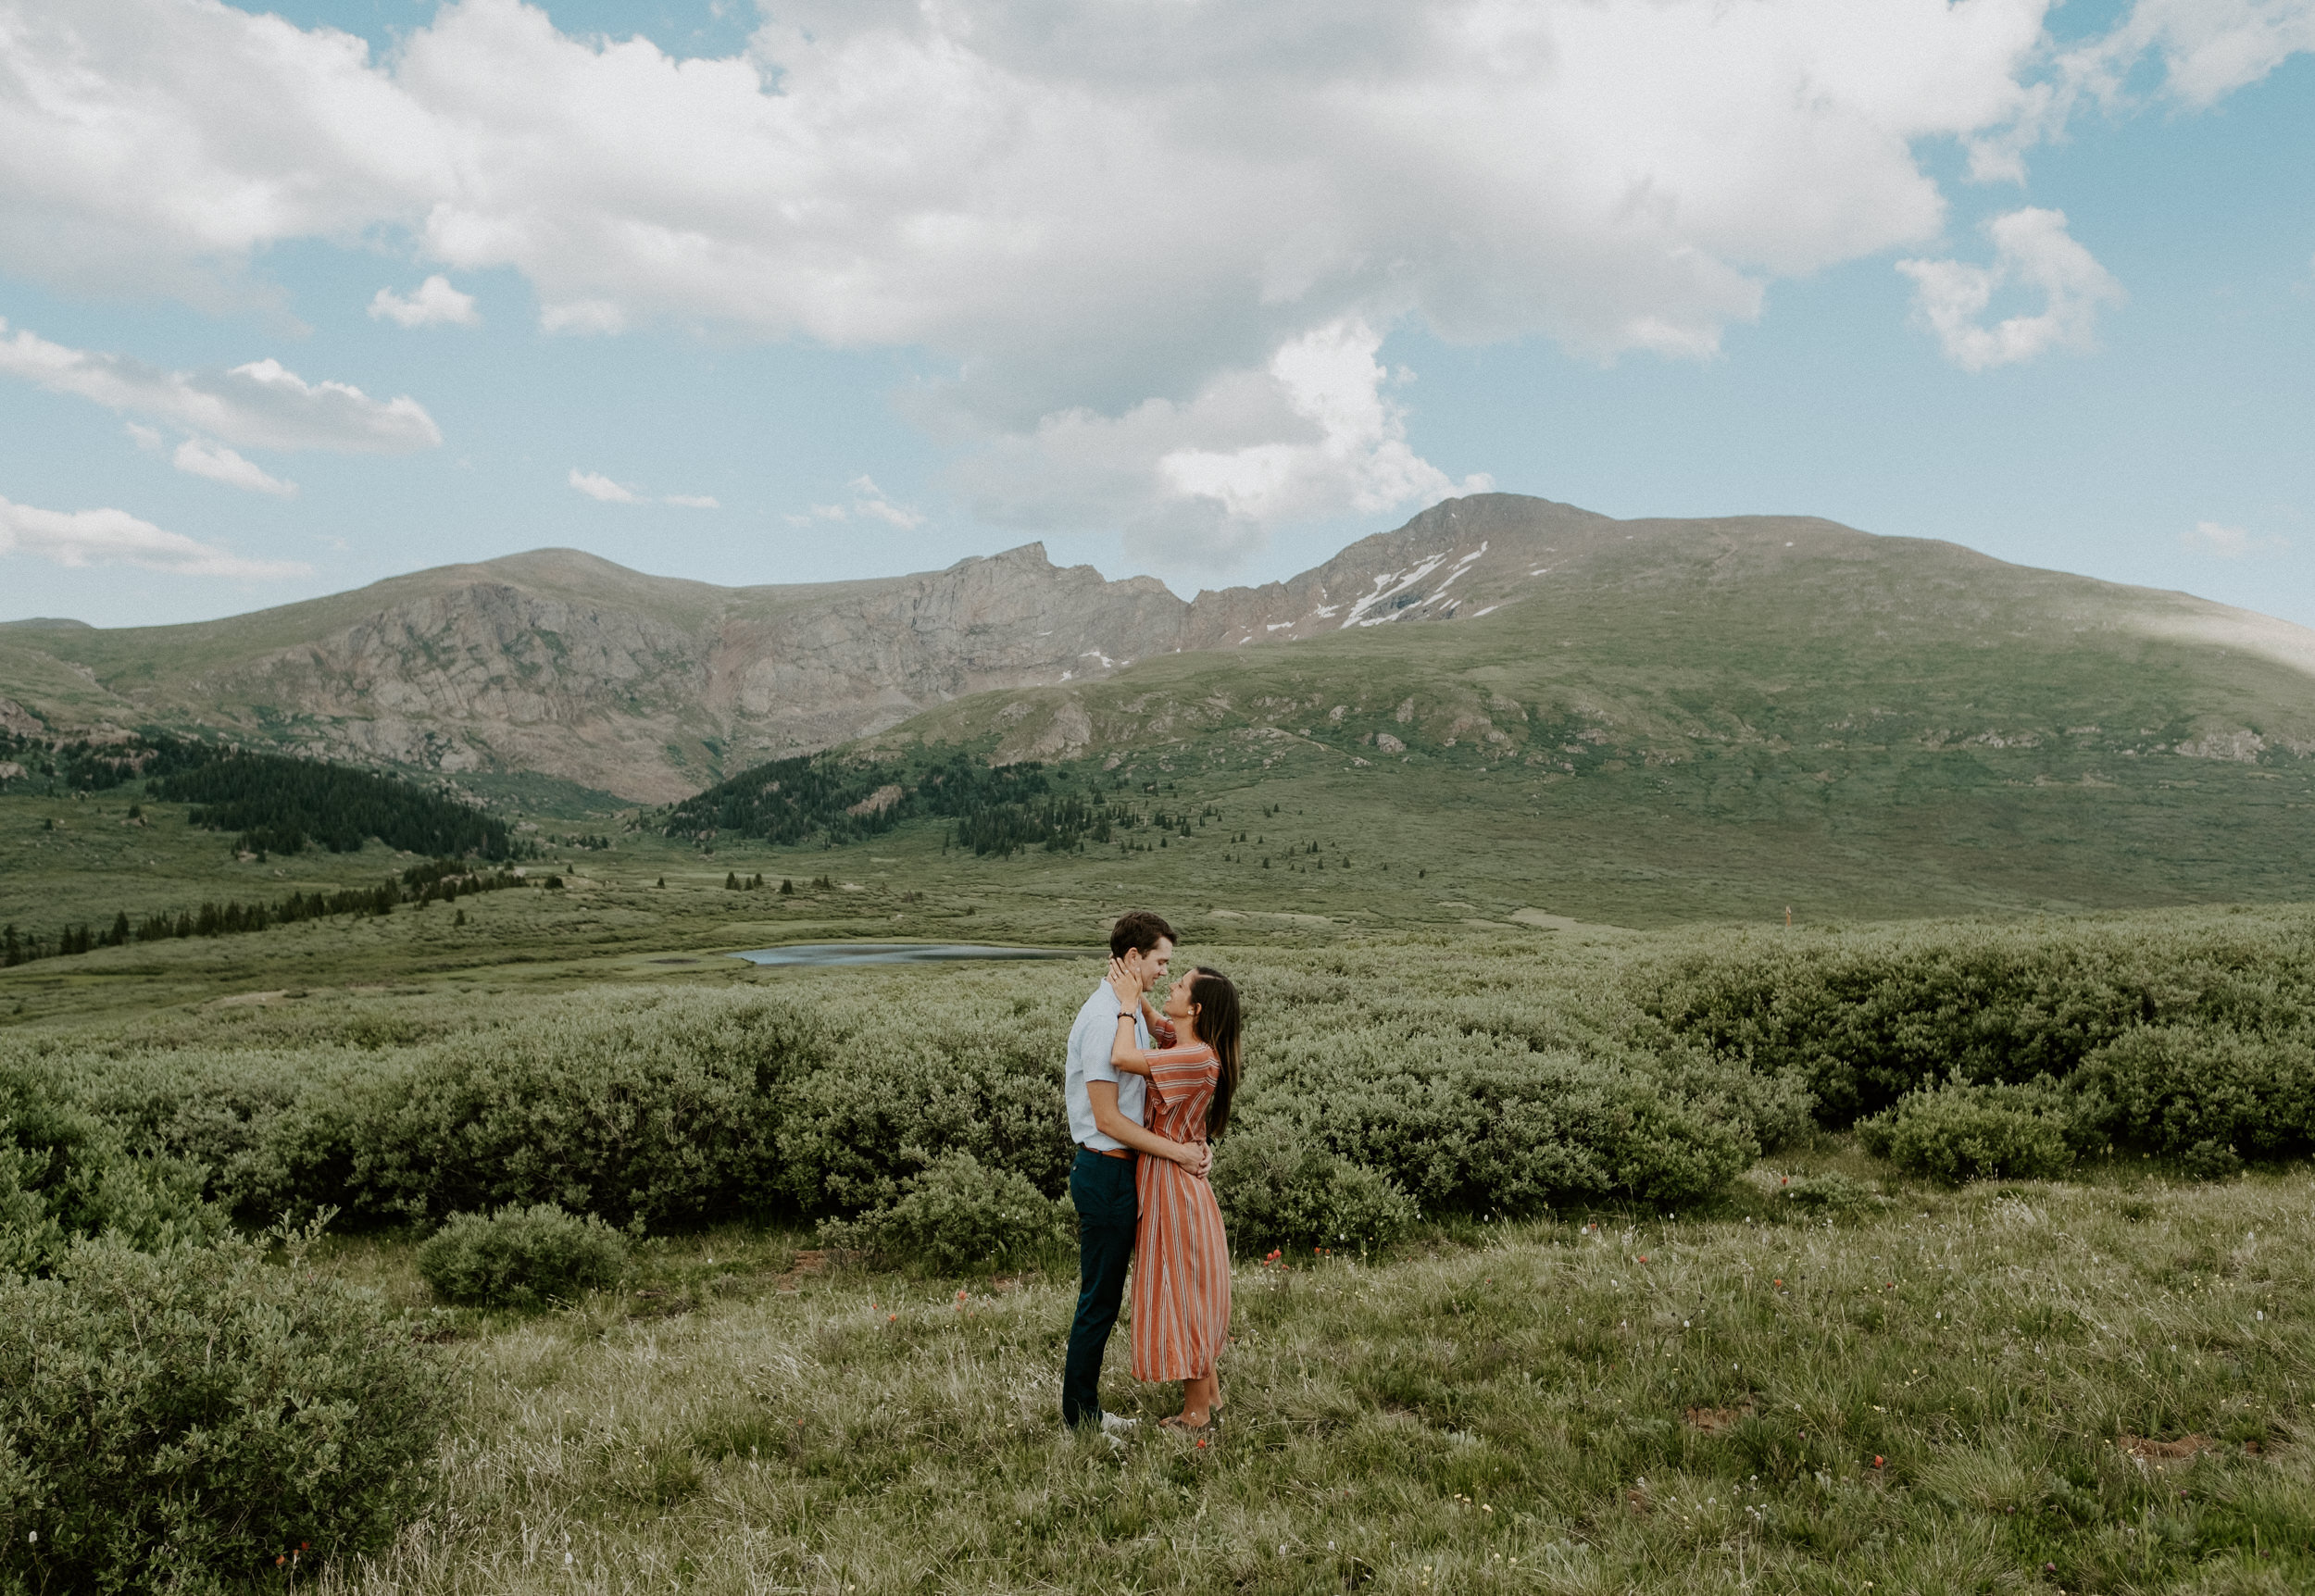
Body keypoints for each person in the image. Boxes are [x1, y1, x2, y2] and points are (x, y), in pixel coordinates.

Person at [1061, 911, 1209, 1433]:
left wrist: (1193, 1146)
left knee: (1115, 1295)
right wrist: (1178, 1153)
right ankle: (1081, 1419)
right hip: (1106, 1172)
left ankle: (1094, 1410)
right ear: (1132, 958)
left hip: (1125, 1173)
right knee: (1099, 1301)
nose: (1165, 972)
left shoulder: (1123, 1011)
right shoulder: (1105, 1019)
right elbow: (1107, 1119)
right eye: (1160, 962)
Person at [1106, 962, 1242, 1432]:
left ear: (1195, 1008)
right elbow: (1158, 1023)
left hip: (1172, 1187)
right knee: (1190, 1290)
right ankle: (1212, 1397)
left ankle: (1196, 1415)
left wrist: (1126, 1005)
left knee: (1182, 1293)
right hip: (1175, 1180)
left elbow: (1122, 1056)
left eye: (1180, 985)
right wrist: (1134, 981)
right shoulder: (1185, 1044)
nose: (1172, 985)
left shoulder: (1195, 1057)